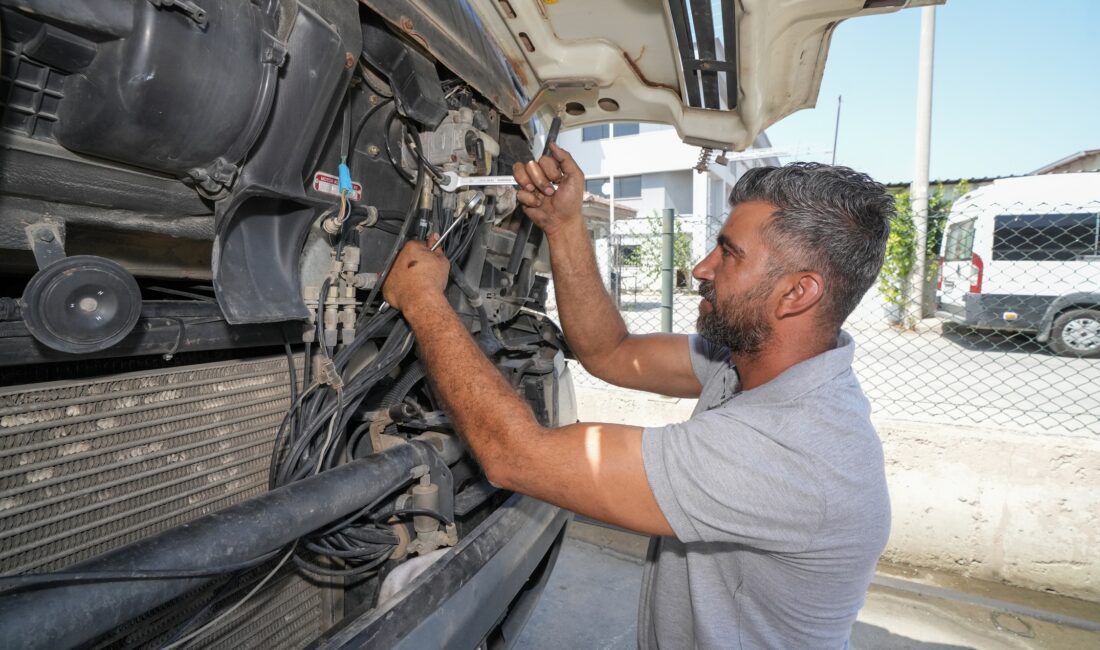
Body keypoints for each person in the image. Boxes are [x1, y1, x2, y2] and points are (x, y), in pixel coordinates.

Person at [382, 142, 894, 649]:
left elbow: (515, 458)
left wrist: (423, 300)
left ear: (797, 293)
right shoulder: (752, 363)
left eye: (730, 254)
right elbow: (611, 351)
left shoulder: (793, 454)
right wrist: (563, 227)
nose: (701, 268)